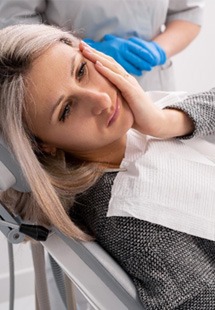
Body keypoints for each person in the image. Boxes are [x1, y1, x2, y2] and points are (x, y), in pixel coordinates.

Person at [0, 24, 215, 309]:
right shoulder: (132, 216)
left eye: (81, 71)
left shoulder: (137, 131)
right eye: (66, 110)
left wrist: (166, 122)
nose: (101, 100)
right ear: (41, 145)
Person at [0, 0, 204, 91]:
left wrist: (157, 50)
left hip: (152, 83)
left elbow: (188, 13)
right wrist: (81, 50)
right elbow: (13, 22)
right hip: (77, 82)